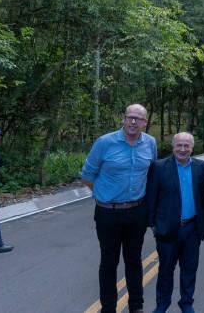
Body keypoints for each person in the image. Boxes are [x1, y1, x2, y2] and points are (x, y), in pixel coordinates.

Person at [81, 104, 157, 313]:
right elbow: (87, 175)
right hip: (108, 213)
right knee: (109, 263)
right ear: (123, 119)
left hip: (136, 212)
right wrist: (103, 194)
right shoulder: (105, 143)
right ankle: (108, 308)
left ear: (145, 122)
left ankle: (136, 307)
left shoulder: (150, 143)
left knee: (134, 261)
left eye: (138, 119)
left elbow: (151, 175)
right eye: (130, 117)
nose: (133, 122)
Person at [146, 132, 204, 313]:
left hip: (192, 228)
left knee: (189, 270)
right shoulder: (158, 167)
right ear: (173, 146)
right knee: (166, 271)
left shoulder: (201, 167)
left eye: (186, 146)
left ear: (192, 147)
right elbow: (151, 197)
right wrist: (153, 224)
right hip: (167, 229)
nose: (182, 149)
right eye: (179, 145)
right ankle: (162, 305)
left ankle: (187, 304)